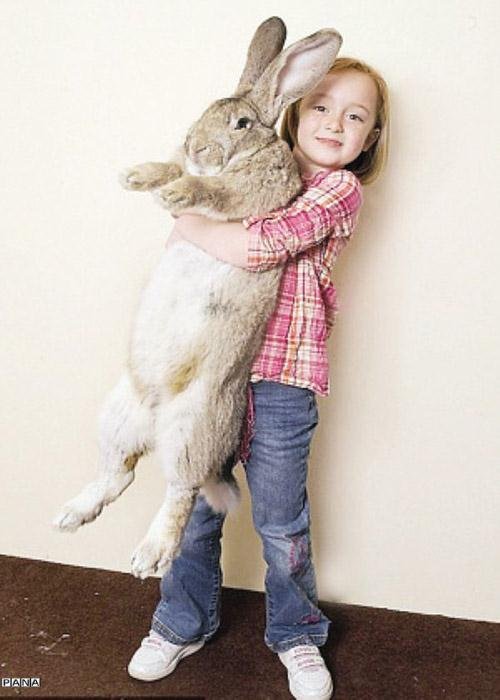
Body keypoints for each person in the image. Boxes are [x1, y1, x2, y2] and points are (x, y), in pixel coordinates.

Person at [128, 57, 389, 700]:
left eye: (355, 117)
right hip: (210, 372)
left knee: (280, 521)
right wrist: (194, 216)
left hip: (281, 380)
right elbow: (182, 252)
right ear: (291, 110)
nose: (335, 123)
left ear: (370, 139)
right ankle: (181, 621)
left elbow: (259, 245)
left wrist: (189, 218)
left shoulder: (337, 191)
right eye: (321, 106)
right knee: (194, 507)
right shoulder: (248, 165)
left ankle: (296, 633)